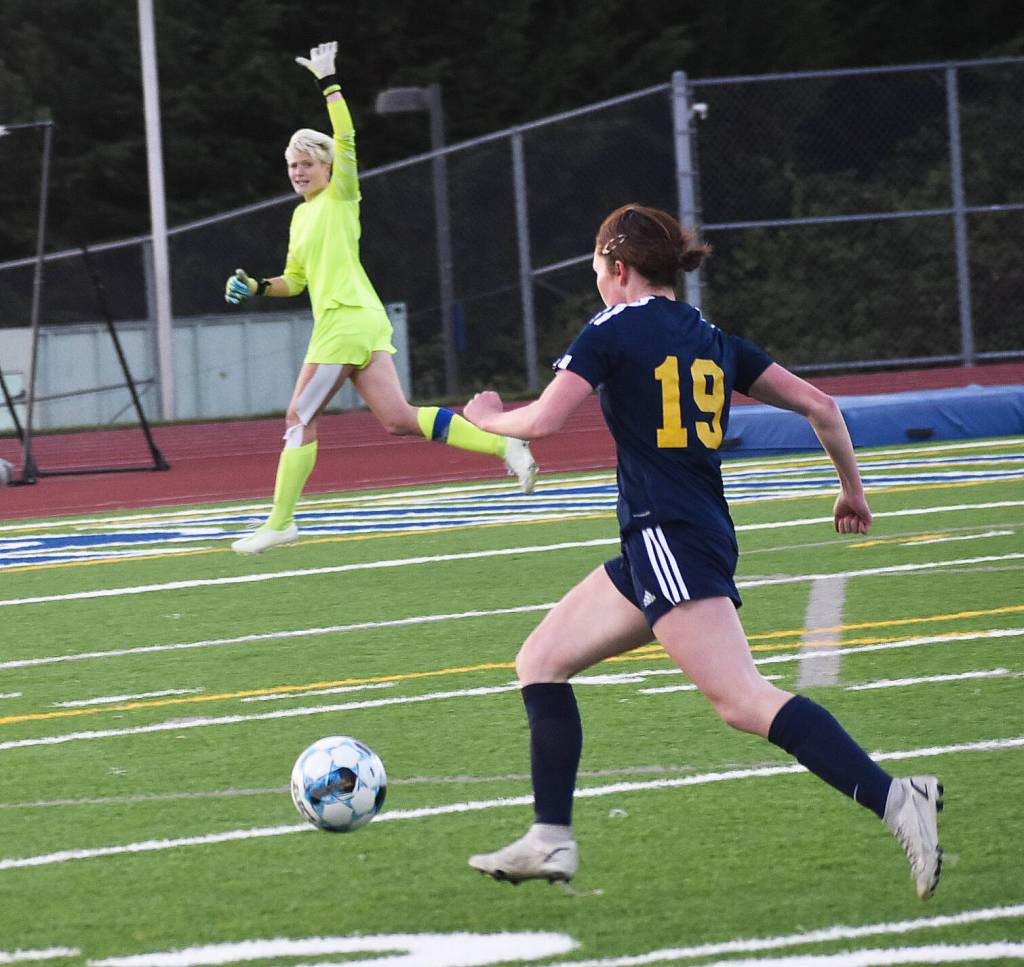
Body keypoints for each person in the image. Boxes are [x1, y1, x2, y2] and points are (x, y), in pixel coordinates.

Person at [462, 203, 943, 898]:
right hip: (684, 534)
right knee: (541, 659)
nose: (598, 283)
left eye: (598, 269)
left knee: (742, 699)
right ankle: (550, 837)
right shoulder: (713, 336)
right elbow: (824, 407)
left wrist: (486, 419)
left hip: (667, 534)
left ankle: (901, 798)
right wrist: (851, 492)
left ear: (618, 267)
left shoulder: (612, 326)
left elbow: (543, 419)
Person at [224, 42, 537, 555]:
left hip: (346, 323)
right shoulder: (301, 216)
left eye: (306, 163)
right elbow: (295, 280)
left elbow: (345, 135)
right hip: (359, 322)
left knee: (299, 418)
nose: (299, 172)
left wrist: (329, 82)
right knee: (398, 420)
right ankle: (505, 445)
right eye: (291, 165)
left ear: (326, 166)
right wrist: (257, 286)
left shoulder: (341, 195)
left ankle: (280, 522)